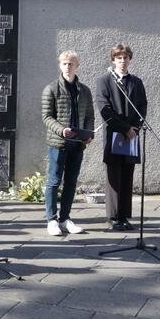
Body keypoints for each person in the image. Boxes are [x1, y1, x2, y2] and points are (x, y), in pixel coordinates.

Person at [41, 50, 95, 236]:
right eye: (64, 63)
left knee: (71, 182)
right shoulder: (51, 89)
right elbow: (47, 117)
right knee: (54, 181)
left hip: (77, 143)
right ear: (60, 65)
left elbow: (89, 116)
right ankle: (51, 220)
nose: (68, 66)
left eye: (71, 63)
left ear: (77, 65)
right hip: (58, 143)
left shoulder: (85, 90)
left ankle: (65, 218)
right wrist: (61, 130)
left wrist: (89, 134)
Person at [95, 43, 147, 231]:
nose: (122, 61)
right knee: (113, 176)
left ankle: (124, 216)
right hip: (114, 134)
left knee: (127, 174)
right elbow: (104, 109)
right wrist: (125, 128)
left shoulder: (136, 82)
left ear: (129, 59)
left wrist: (135, 128)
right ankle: (113, 216)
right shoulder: (104, 81)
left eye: (125, 57)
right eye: (119, 58)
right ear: (113, 60)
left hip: (131, 134)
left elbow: (142, 107)